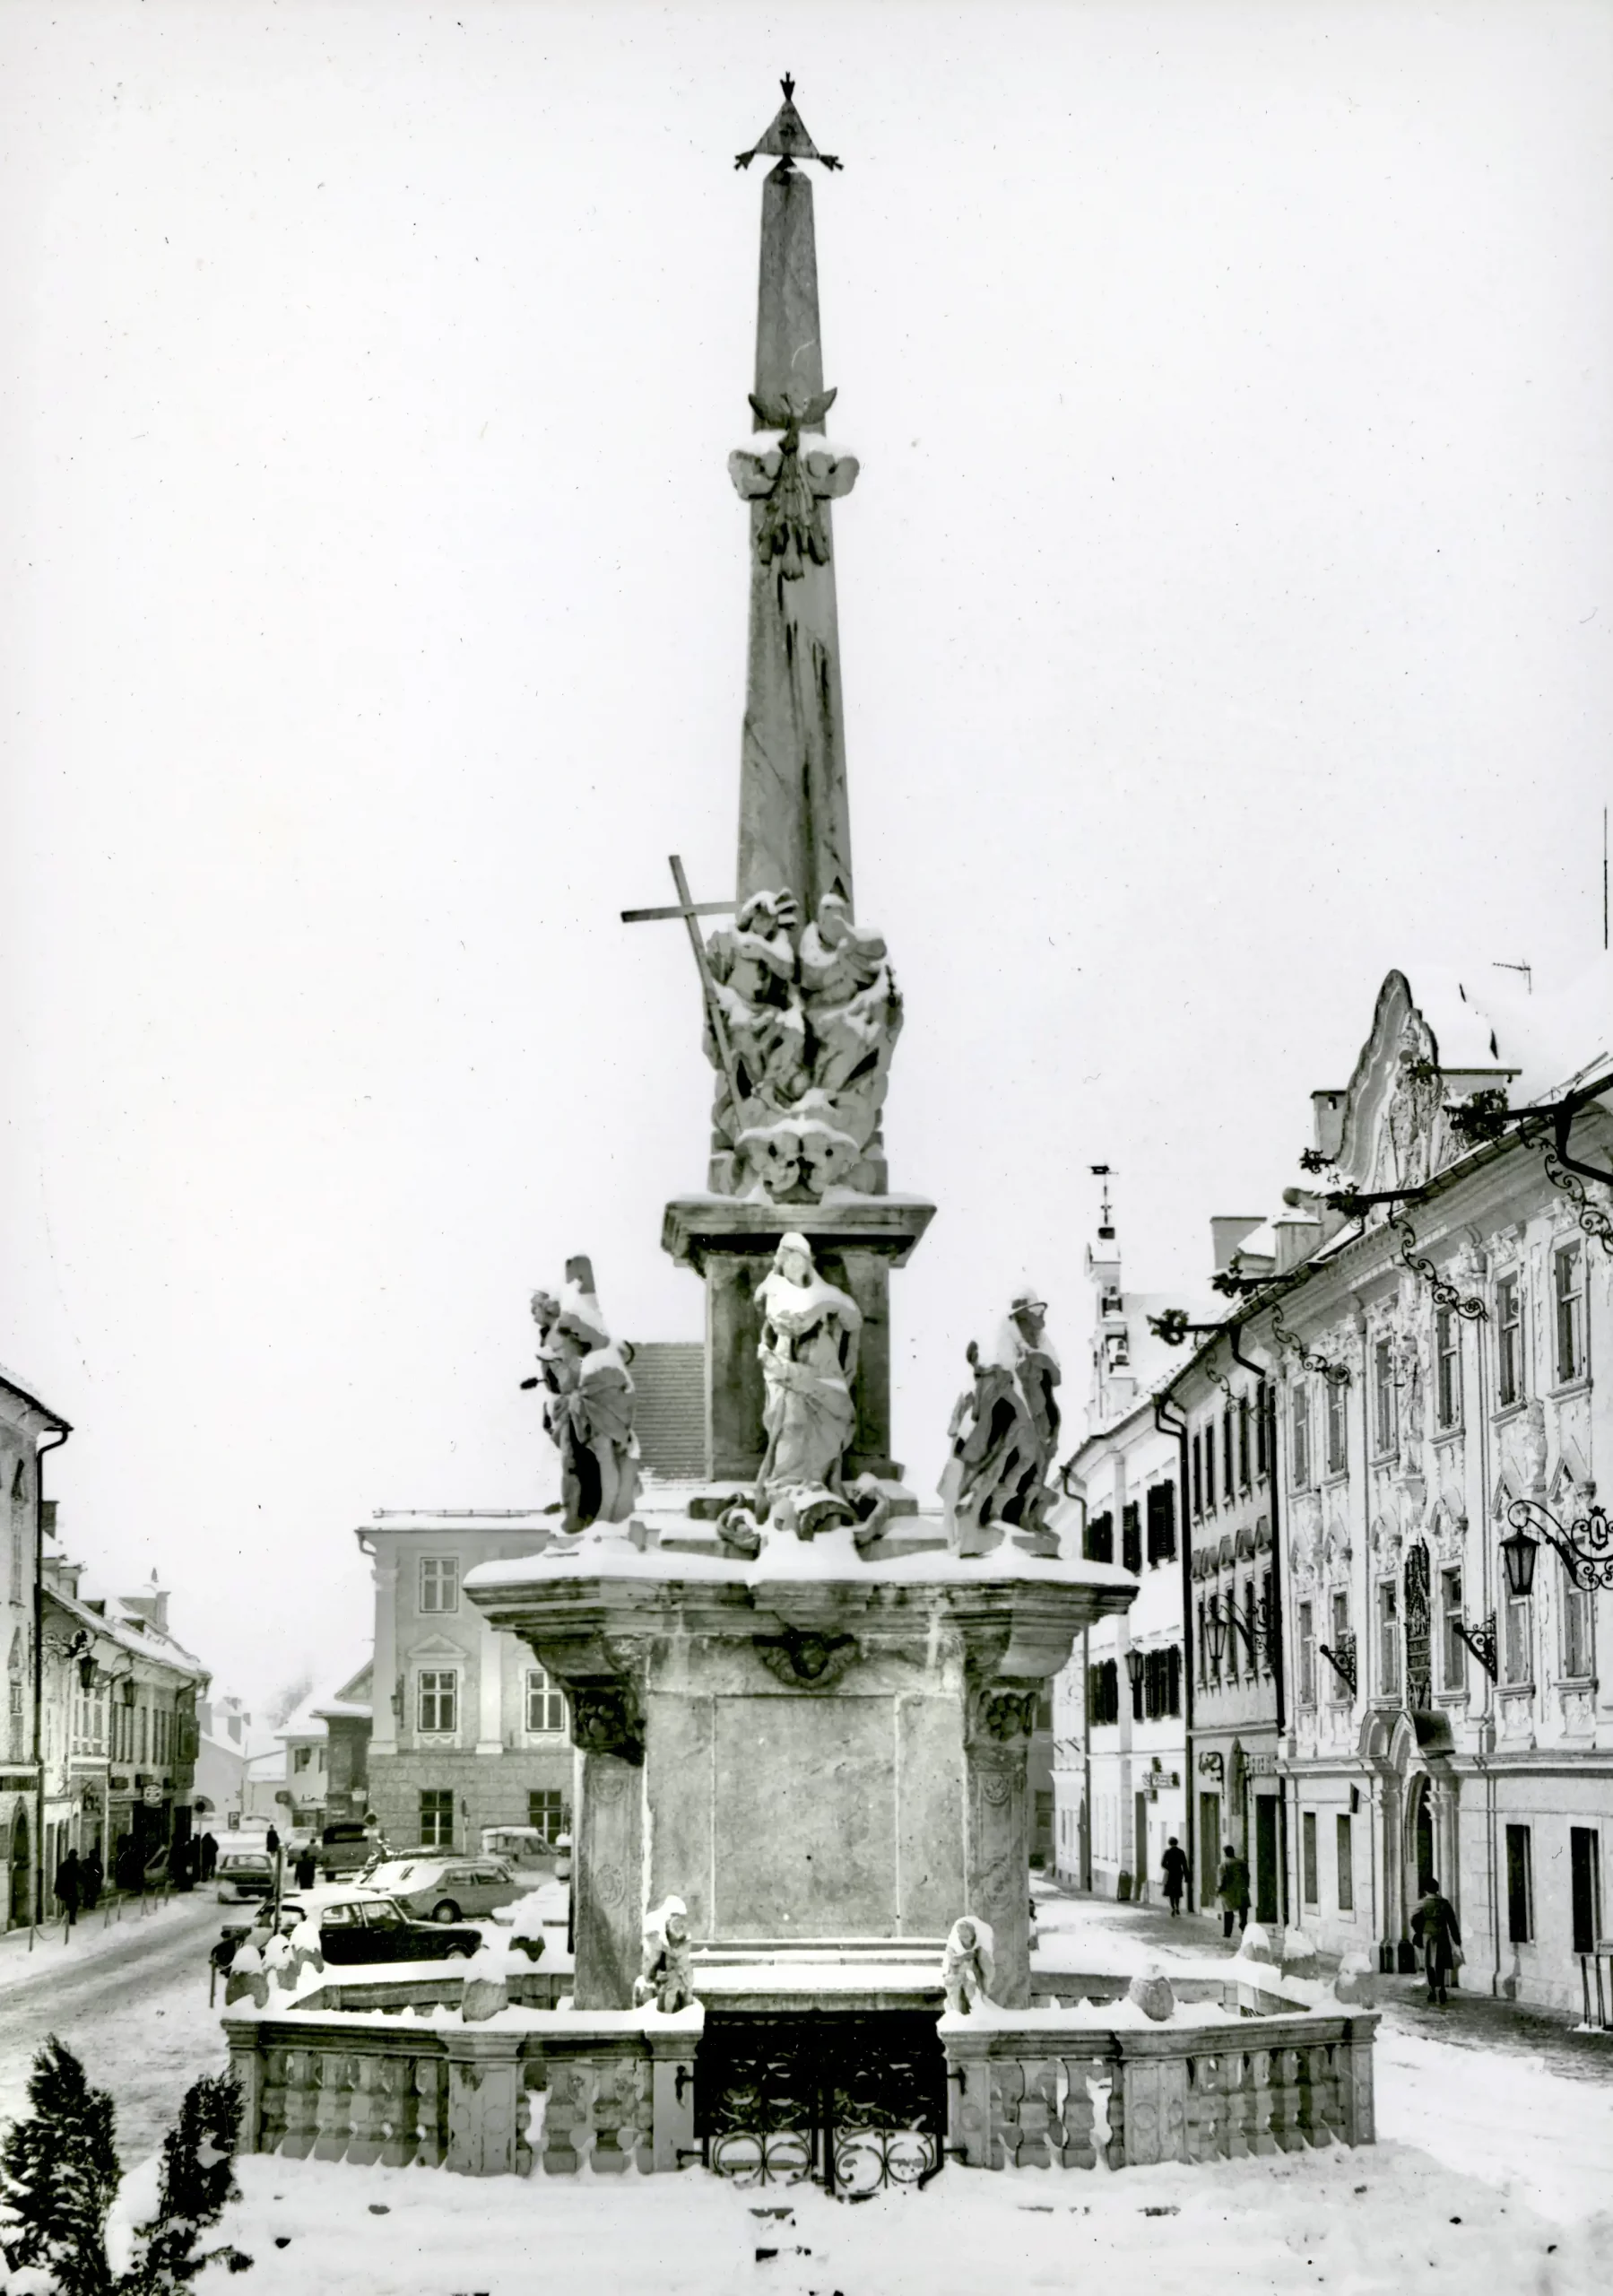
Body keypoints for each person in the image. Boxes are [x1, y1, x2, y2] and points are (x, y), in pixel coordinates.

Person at [1410, 1877, 1461, 2005]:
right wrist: (1457, 1939)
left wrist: (1419, 1930)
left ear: (1426, 1890)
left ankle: (1432, 1990)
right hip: (1442, 1935)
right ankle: (1442, 1989)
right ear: (1437, 1889)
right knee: (1441, 1964)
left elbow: (1413, 1918)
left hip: (1428, 1936)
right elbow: (1452, 1922)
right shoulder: (1444, 1903)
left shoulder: (1422, 1903)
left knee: (1429, 1964)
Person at [1217, 1842, 1250, 1939]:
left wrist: (1219, 1890)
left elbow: (1222, 1879)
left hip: (1228, 1892)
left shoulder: (1223, 1865)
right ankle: (1244, 1929)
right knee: (1243, 1912)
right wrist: (1246, 1886)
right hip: (1242, 1890)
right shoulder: (1242, 1863)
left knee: (1228, 1912)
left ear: (1225, 1853)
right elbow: (1247, 1877)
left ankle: (1228, 1932)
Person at [54, 1846, 82, 1929]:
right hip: (71, 1887)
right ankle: (71, 1919)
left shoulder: (66, 1865)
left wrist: (57, 1890)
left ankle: (70, 1919)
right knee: (72, 1904)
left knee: (71, 1904)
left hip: (70, 1888)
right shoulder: (73, 1865)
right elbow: (59, 1878)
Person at [1161, 1836, 1189, 1918]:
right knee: (1177, 1891)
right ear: (1177, 1843)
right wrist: (1186, 1875)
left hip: (1170, 1874)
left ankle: (1172, 1908)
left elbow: (1163, 1864)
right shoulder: (1181, 1852)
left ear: (1169, 1843)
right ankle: (1177, 1907)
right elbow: (1184, 1864)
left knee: (1171, 1893)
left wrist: (1169, 1868)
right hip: (1178, 1874)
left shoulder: (1167, 1852)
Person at [80, 1846, 103, 1911]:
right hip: (93, 1881)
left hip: (89, 1881)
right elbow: (100, 1872)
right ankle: (90, 1905)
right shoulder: (97, 1862)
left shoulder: (86, 1862)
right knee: (92, 1894)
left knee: (88, 1893)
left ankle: (87, 1904)